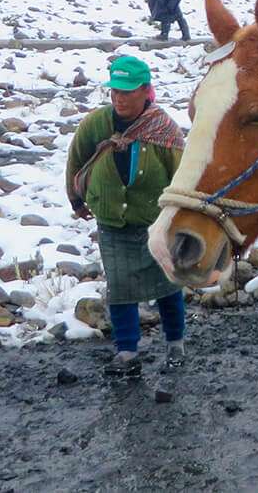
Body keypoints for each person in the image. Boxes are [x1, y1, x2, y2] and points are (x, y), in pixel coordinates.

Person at [65, 55, 188, 377]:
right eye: (114, 91)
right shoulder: (96, 124)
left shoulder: (164, 130)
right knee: (120, 287)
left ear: (146, 91)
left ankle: (175, 343)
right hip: (112, 222)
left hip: (156, 224)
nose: (119, 98)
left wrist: (184, 219)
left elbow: (183, 177)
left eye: (127, 91)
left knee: (167, 284)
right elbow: (76, 160)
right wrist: (77, 200)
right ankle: (126, 351)